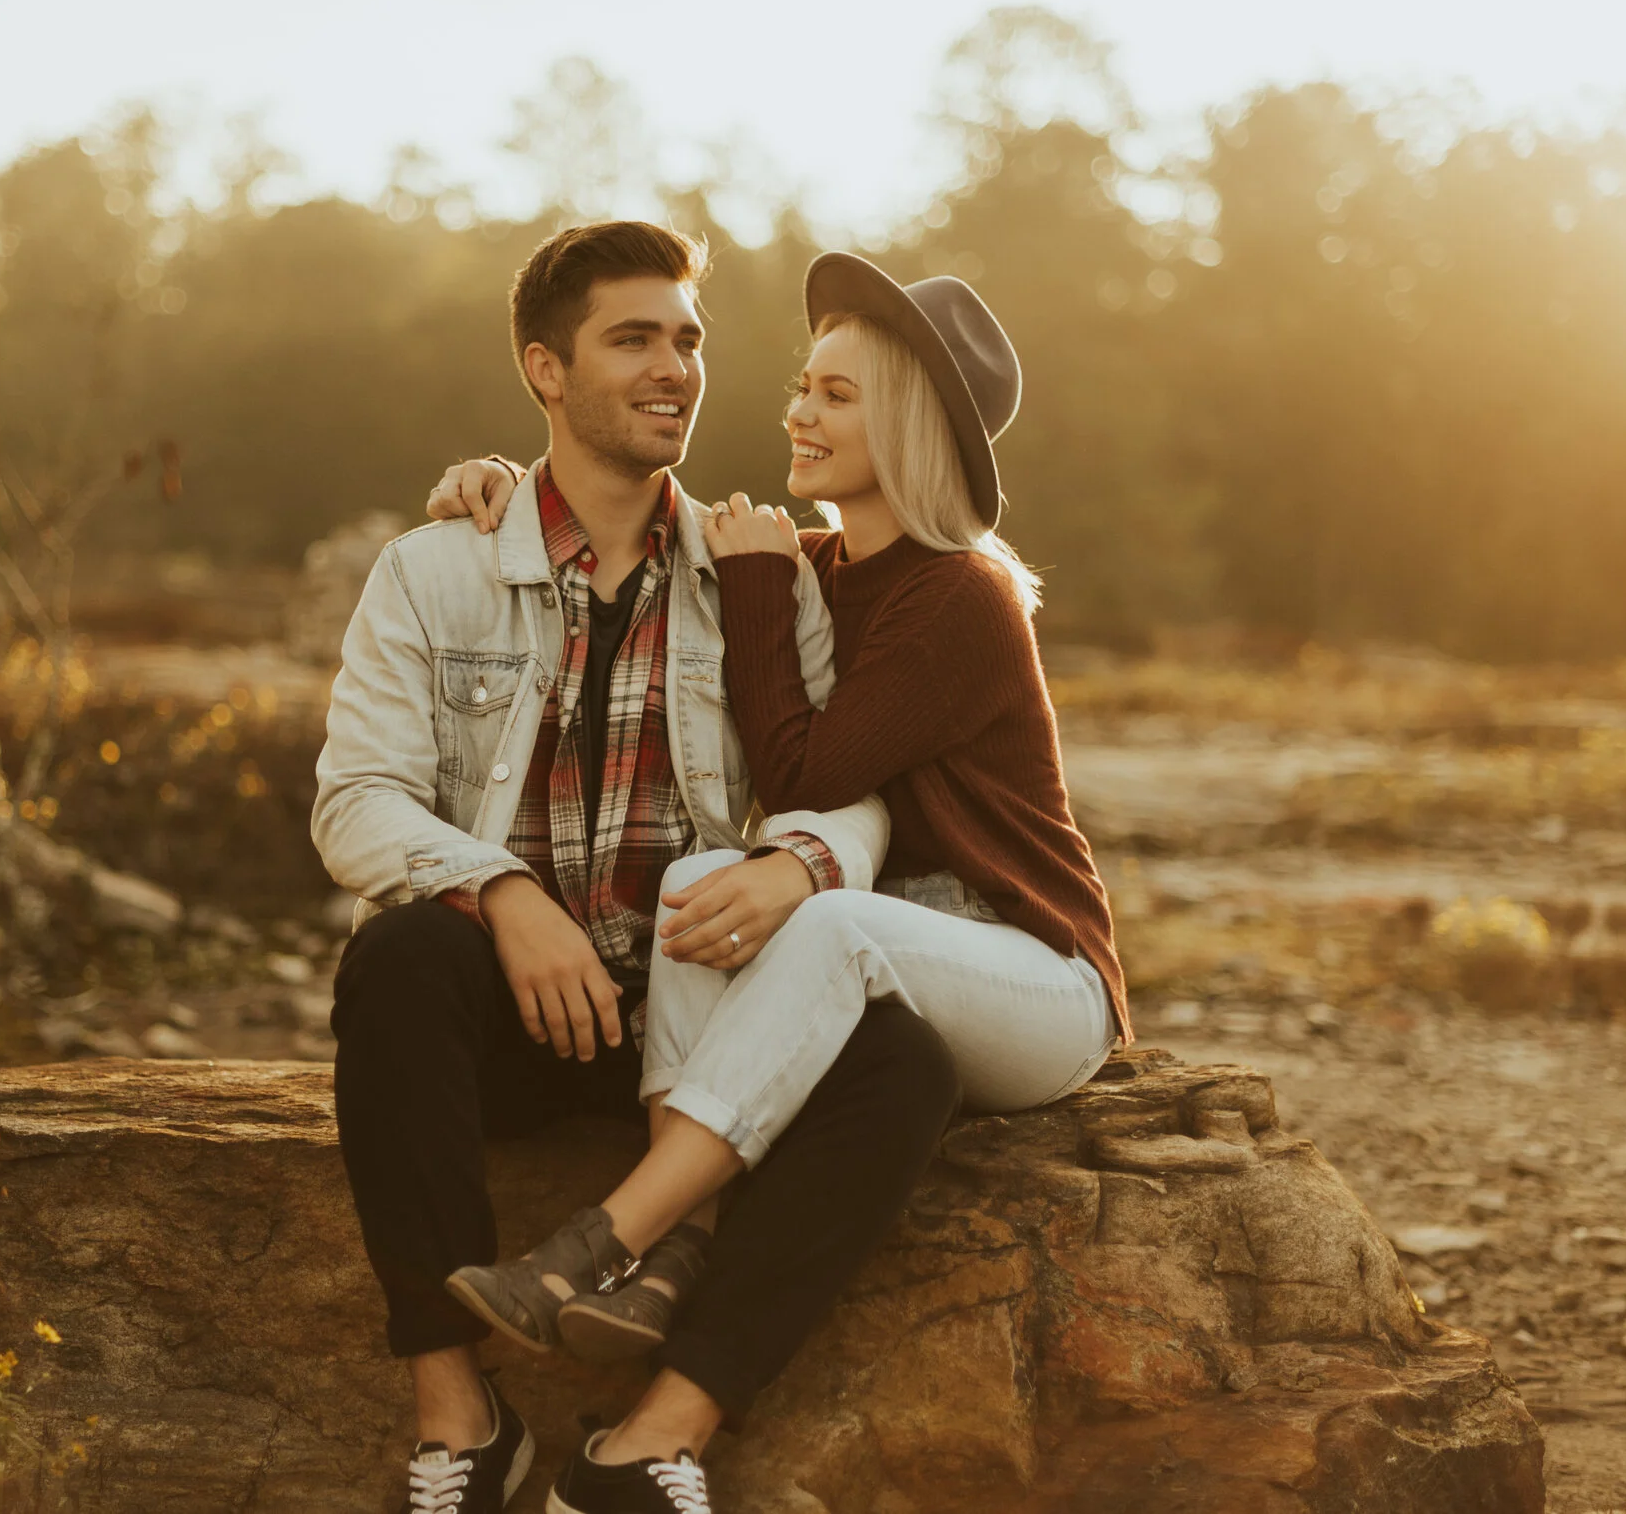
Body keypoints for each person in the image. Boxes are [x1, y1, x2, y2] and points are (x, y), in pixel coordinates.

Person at [316, 222, 963, 1514]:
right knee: (394, 962)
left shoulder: (760, 575)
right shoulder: (434, 570)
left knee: (907, 1062)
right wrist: (502, 893)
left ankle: (647, 1444)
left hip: (696, 1027)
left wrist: (801, 865)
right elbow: (354, 801)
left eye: (689, 340)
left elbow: (852, 786)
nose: (676, 367)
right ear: (545, 370)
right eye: (634, 340)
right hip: (516, 1014)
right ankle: (460, 1428)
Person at [425, 252, 1129, 1433]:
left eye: (837, 397)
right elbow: (635, 522)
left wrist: (756, 587)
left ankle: (609, 1237)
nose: (797, 413)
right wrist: (497, 476)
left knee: (835, 917)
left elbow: (805, 770)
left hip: (1032, 972)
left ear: (903, 425)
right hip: (894, 965)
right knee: (706, 878)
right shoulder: (810, 568)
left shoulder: (962, 594)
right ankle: (674, 1263)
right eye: (804, 385)